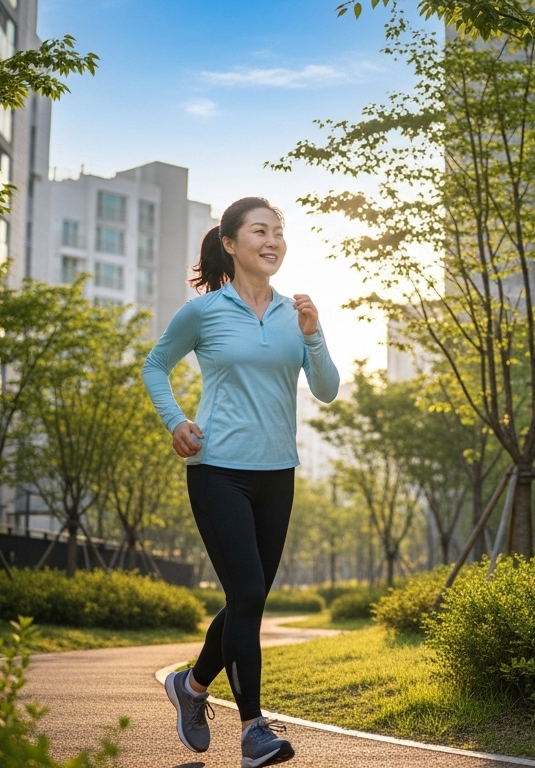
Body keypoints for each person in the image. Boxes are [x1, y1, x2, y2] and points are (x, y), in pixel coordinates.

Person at [142, 196, 338, 766]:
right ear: (231, 244)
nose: (273, 240)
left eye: (279, 232)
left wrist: (314, 332)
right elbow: (155, 365)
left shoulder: (293, 313)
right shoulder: (203, 312)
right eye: (260, 231)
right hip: (218, 471)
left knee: (246, 598)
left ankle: (193, 685)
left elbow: (326, 389)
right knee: (249, 594)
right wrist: (176, 420)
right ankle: (253, 730)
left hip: (278, 473)